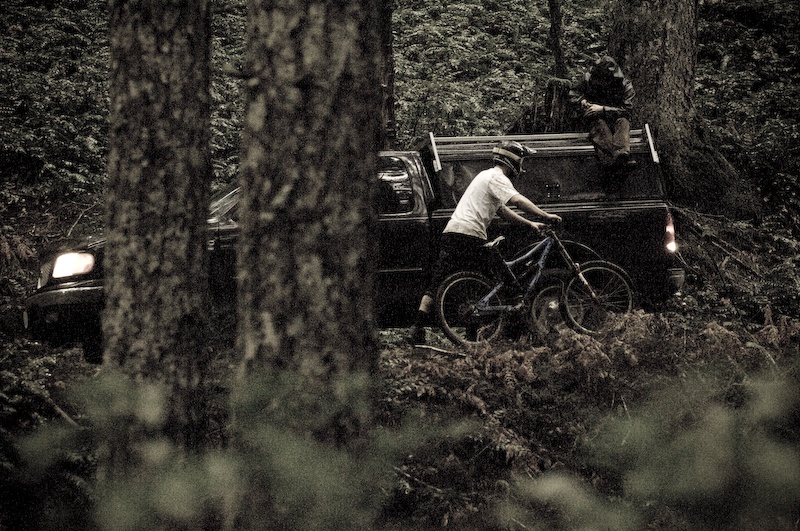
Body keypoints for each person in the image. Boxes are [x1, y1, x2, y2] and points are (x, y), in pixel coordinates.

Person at [408, 140, 562, 345]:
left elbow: (502, 210)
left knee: (442, 281)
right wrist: (545, 215)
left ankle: (417, 329)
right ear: (513, 161)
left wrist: (531, 224)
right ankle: (508, 326)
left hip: (453, 233)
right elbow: (517, 201)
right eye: (521, 161)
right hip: (470, 235)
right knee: (496, 281)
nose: (522, 167)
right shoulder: (496, 177)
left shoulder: (485, 176)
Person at [569, 55, 636, 169]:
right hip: (593, 119)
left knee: (623, 122)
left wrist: (603, 109)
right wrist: (582, 101)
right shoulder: (588, 79)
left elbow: (627, 109)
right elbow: (574, 94)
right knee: (599, 125)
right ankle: (618, 159)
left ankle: (620, 155)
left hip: (615, 118)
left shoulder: (624, 84)